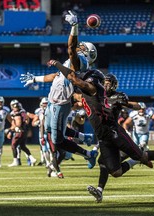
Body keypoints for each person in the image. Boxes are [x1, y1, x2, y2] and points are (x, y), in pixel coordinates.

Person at [47, 59, 154, 203]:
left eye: (108, 83)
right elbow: (76, 91)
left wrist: (139, 106)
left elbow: (130, 104)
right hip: (103, 136)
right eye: (105, 82)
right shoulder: (87, 94)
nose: (106, 85)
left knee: (140, 156)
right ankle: (132, 164)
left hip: (114, 132)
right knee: (115, 171)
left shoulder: (102, 93)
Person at [20, 10, 98, 178]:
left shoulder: (80, 62)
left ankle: (88, 153)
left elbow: (70, 48)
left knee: (57, 140)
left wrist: (74, 27)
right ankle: (85, 139)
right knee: (50, 131)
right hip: (52, 102)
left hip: (60, 104)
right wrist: (36, 79)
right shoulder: (71, 62)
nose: (80, 46)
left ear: (87, 53)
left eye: (83, 46)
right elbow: (55, 76)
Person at [5, 99, 37, 167]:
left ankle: (15, 161)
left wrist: (16, 128)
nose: (15, 107)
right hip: (23, 131)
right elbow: (26, 120)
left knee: (13, 145)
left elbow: (19, 121)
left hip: (19, 131)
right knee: (22, 146)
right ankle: (32, 158)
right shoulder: (22, 112)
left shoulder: (18, 113)